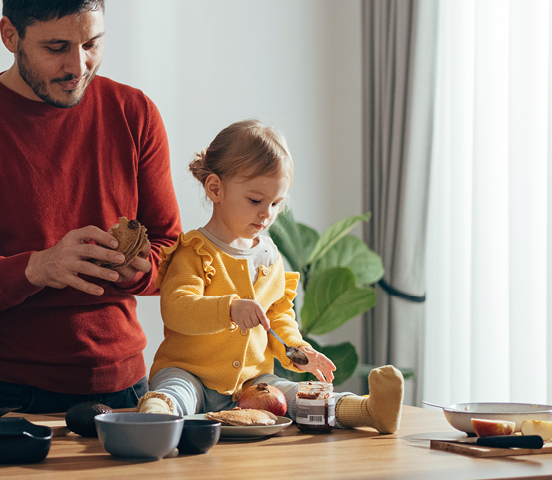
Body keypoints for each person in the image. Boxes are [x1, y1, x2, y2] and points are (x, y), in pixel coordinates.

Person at [0, 0, 182, 413]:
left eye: (92, 43)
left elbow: (173, 253)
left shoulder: (135, 113)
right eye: (56, 48)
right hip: (7, 397)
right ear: (9, 36)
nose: (78, 65)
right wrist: (37, 268)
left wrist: (136, 272)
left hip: (129, 389)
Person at [137, 119, 402, 435]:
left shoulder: (270, 256)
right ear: (215, 188)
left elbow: (278, 317)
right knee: (175, 391)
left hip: (253, 381)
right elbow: (177, 308)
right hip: (189, 372)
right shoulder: (195, 251)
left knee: (297, 395)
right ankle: (152, 419)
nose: (267, 214)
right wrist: (230, 309)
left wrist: (298, 349)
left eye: (276, 203)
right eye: (255, 201)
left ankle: (367, 410)